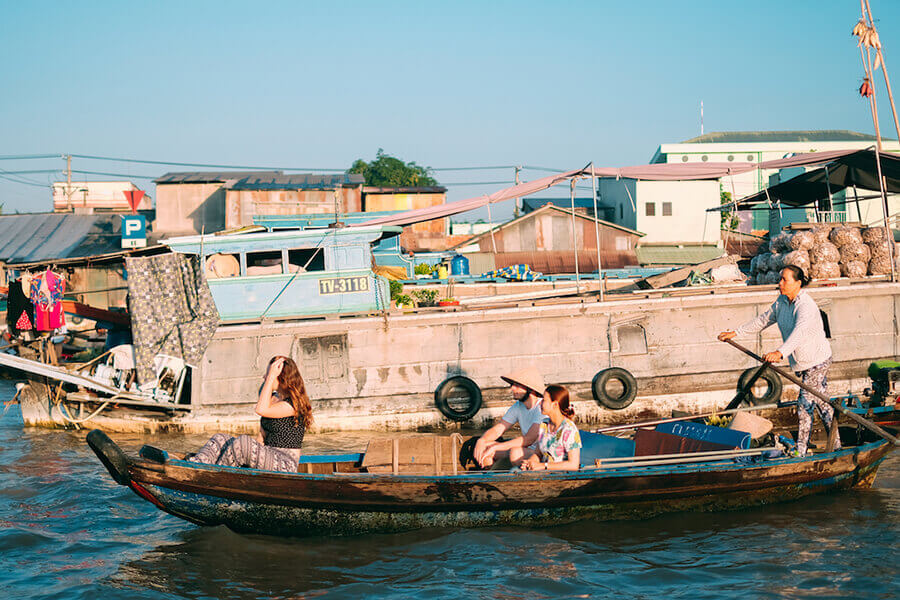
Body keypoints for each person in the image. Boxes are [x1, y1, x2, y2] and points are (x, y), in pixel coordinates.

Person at [718, 265, 838, 457]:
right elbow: (763, 320)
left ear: (798, 283)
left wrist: (780, 353)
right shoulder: (782, 301)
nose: (780, 283)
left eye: (785, 280)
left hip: (817, 361)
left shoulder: (805, 306)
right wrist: (735, 332)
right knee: (823, 403)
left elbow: (799, 334)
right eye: (780, 279)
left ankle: (801, 451)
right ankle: (837, 445)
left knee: (804, 405)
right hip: (803, 362)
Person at [188, 356, 313, 472]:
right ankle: (195, 466)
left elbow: (260, 409)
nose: (264, 377)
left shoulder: (292, 405)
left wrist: (271, 375)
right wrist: (246, 454)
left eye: (268, 374)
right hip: (267, 455)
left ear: (282, 378)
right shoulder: (273, 399)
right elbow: (261, 437)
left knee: (243, 443)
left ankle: (214, 474)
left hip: (284, 463)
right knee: (220, 439)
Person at [473, 367, 546, 469]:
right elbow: (499, 428)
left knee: (514, 452)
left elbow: (529, 439)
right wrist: (482, 440)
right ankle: (489, 476)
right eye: (512, 385)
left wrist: (496, 447)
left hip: (541, 454)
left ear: (530, 388)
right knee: (484, 447)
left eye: (517, 385)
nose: (512, 388)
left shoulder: (542, 407)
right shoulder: (518, 406)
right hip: (525, 449)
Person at [521, 385, 582, 471]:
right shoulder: (544, 424)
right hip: (544, 473)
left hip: (562, 476)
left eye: (544, 400)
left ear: (555, 404)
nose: (540, 404)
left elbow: (573, 465)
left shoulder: (568, 429)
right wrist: (530, 462)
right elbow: (538, 453)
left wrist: (543, 466)